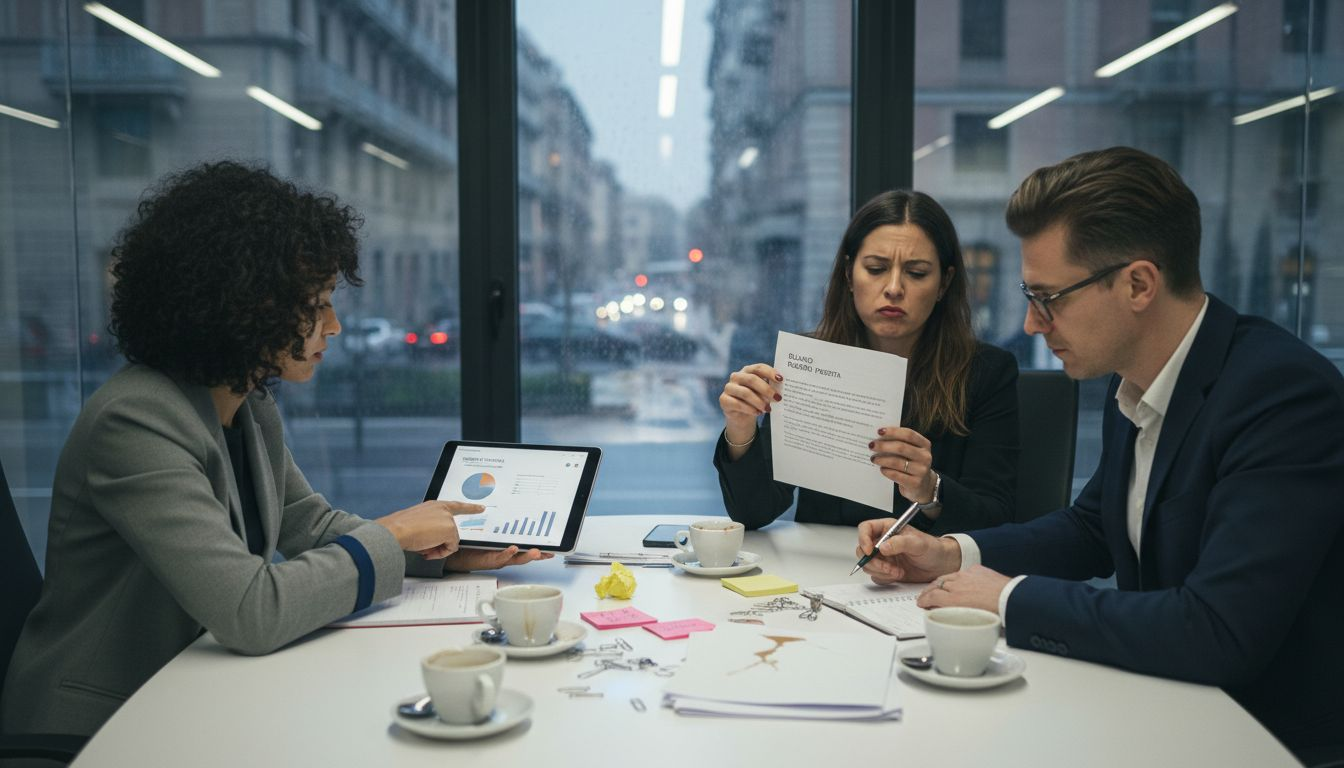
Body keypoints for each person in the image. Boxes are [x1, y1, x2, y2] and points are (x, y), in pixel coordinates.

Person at [1, 162, 549, 739]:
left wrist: (438, 554)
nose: (333, 327)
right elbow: (250, 610)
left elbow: (306, 523)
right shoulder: (135, 421)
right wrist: (393, 536)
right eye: (316, 306)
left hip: (192, 694)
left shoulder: (245, 402)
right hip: (99, 726)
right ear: (241, 304)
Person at [857, 147, 1344, 762]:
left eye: (1048, 297)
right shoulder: (1135, 376)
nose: (1034, 325)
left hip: (1264, 739)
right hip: (1166, 703)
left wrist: (1007, 597)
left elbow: (1218, 631)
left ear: (1139, 283)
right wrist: (948, 553)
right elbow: (1093, 528)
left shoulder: (1279, 396)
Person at [715, 190, 1019, 534]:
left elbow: (997, 520)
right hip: (821, 573)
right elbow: (754, 513)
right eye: (875, 269)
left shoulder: (986, 373)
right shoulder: (810, 362)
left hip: (930, 578)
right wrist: (740, 429)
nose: (893, 288)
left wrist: (931, 489)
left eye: (916, 273)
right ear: (848, 275)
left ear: (944, 284)